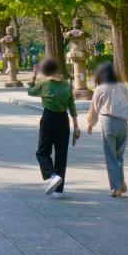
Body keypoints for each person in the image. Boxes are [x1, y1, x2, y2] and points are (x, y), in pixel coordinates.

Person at [26, 57, 79, 198]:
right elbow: (71, 105)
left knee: (42, 152)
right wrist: (76, 125)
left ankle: (52, 175)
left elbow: (30, 92)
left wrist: (34, 76)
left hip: (49, 118)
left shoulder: (44, 83)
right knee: (61, 155)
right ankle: (59, 191)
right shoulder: (67, 85)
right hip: (63, 120)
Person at [86, 62, 128, 197]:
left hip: (109, 121)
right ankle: (121, 182)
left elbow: (94, 108)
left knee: (110, 156)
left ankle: (116, 187)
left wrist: (91, 123)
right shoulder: (122, 87)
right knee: (119, 155)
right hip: (123, 123)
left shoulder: (100, 89)